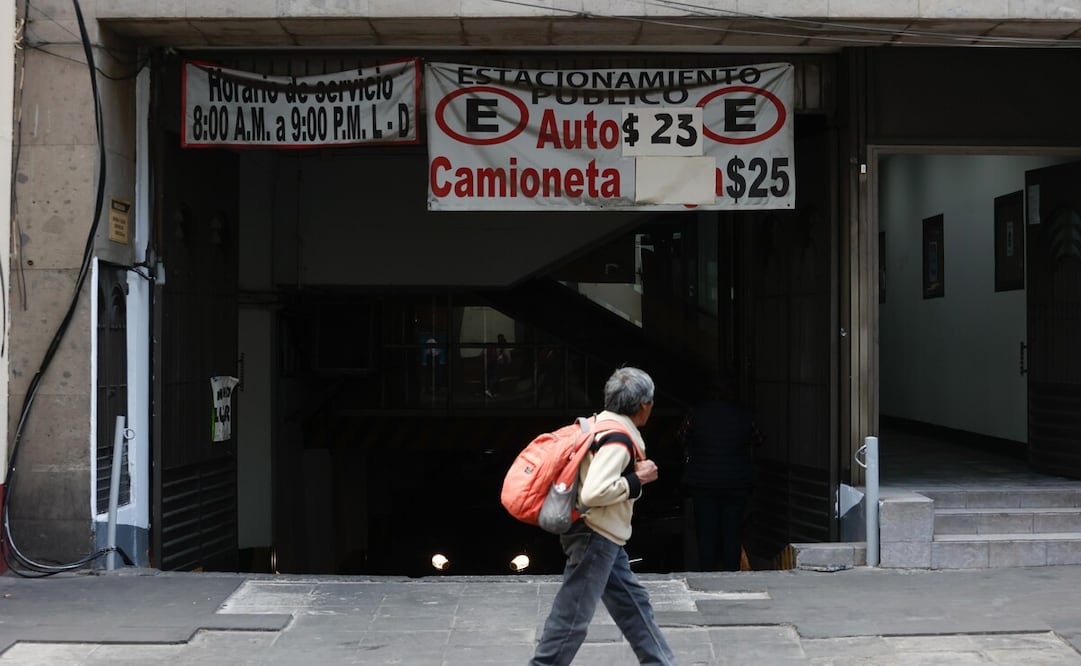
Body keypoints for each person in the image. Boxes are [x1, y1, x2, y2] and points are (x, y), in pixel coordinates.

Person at [531, 366, 676, 666]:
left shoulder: (599, 424)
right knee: (572, 617)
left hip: (601, 535)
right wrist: (637, 481)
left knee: (634, 605)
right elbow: (594, 493)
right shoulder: (619, 439)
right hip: (595, 535)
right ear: (644, 406)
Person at [680, 374, 762, 572]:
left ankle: (707, 573)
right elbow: (759, 439)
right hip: (736, 482)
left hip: (703, 483)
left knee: (706, 534)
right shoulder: (744, 415)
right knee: (732, 532)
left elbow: (681, 437)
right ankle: (731, 574)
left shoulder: (696, 414)